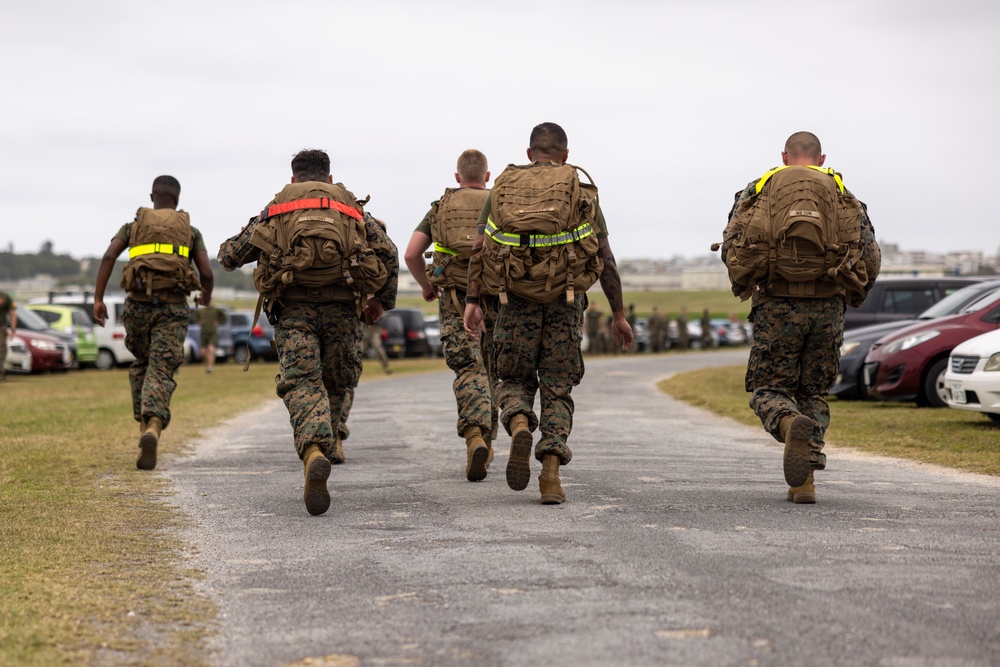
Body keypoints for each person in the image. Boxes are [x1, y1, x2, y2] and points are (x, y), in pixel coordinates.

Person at [217, 149, 398, 516]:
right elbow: (390, 253)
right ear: (329, 178)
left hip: (293, 309)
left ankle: (313, 450)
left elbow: (229, 256)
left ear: (293, 178)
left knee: (302, 382)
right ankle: (328, 442)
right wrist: (382, 302)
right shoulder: (350, 206)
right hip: (343, 311)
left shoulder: (278, 206)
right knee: (335, 383)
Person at [464, 122, 633, 504]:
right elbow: (605, 260)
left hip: (513, 305)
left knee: (510, 379)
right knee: (557, 389)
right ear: (566, 155)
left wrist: (473, 302)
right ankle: (551, 477)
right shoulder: (580, 190)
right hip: (565, 305)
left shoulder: (502, 189)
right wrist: (619, 314)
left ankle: (520, 422)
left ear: (529, 154)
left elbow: (479, 249)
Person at [720, 131, 880, 504]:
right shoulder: (843, 195)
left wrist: (746, 283)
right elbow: (870, 256)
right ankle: (804, 481)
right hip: (827, 309)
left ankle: (789, 423)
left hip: (777, 305)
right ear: (822, 158)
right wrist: (852, 295)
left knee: (768, 389)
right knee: (813, 392)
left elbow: (732, 244)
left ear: (784, 156)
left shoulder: (757, 190)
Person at [93, 175, 214, 470]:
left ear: (152, 196)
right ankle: (154, 424)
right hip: (172, 307)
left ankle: (144, 422)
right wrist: (205, 295)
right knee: (161, 368)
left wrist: (98, 299)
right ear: (177, 199)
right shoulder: (190, 230)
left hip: (136, 306)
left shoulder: (133, 226)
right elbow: (207, 272)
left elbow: (109, 256)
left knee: (142, 365)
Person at [404, 149, 496, 482]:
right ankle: (490, 439)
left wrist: (427, 286)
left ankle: (474, 436)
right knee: (494, 371)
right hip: (500, 301)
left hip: (456, 300)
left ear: (457, 177)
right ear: (487, 176)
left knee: (469, 369)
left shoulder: (441, 207)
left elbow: (412, 253)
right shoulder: (500, 202)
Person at [193, 297, 226, 373]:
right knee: (202, 352)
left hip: (213, 333)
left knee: (211, 349)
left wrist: (219, 322)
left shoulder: (216, 310)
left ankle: (210, 368)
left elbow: (224, 317)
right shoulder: (201, 311)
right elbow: (194, 317)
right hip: (204, 333)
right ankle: (208, 363)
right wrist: (199, 321)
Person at [0, 291, 16, 381]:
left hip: (1, 328)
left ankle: (0, 373)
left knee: (1, 351)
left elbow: (12, 313)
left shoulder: (5, 296)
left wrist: (13, 330)